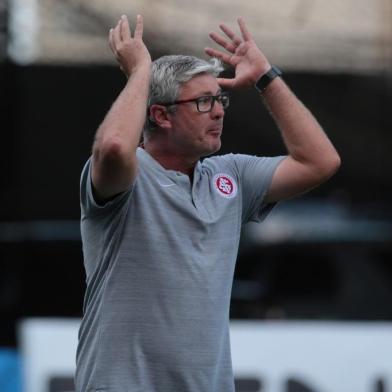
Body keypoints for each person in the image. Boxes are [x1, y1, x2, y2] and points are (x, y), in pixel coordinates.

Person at [75, 14, 340, 392]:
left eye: (219, 99)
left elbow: (320, 162)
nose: (218, 111)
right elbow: (114, 145)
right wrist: (141, 72)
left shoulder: (229, 176)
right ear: (160, 115)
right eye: (203, 102)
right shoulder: (128, 176)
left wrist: (266, 77)